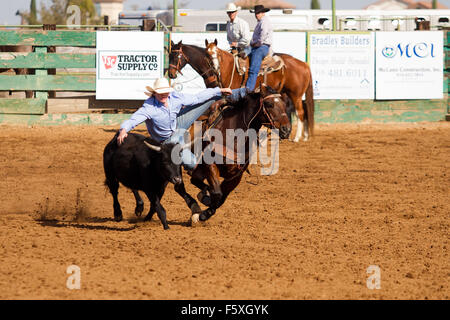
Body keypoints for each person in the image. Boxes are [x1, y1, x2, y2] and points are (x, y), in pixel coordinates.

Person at [117, 78, 246, 172]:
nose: (164, 94)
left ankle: (243, 92)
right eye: (160, 92)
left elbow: (196, 98)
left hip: (179, 122)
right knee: (191, 164)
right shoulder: (149, 107)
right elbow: (133, 119)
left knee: (209, 98)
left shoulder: (174, 97)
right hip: (167, 140)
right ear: (154, 93)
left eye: (165, 91)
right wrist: (124, 129)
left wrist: (220, 90)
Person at [246, 4, 273, 91]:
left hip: (262, 47)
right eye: (255, 13)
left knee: (253, 69)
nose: (256, 15)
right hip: (258, 46)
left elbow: (263, 36)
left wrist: (255, 43)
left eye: (258, 13)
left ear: (263, 13)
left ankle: (248, 91)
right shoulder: (261, 22)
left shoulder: (264, 21)